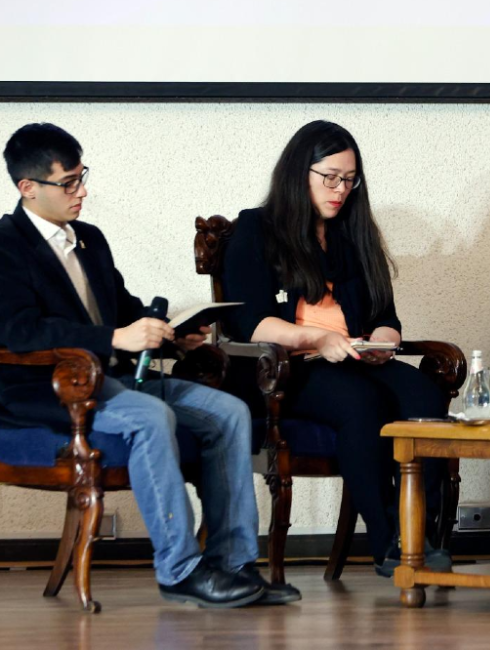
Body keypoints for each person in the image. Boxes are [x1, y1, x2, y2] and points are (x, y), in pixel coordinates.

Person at [0, 123, 298, 607]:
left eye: (82, 176)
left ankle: (232, 564)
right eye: (69, 182)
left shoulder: (90, 240)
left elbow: (122, 309)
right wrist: (114, 336)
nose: (82, 191)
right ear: (27, 187)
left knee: (229, 411)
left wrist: (174, 334)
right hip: (49, 390)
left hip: (112, 378)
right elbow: (19, 331)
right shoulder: (6, 244)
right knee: (151, 415)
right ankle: (180, 570)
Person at [221, 120, 450, 576]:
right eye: (330, 177)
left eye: (349, 179)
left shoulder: (354, 232)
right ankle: (388, 543)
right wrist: (319, 339)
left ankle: (419, 532)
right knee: (360, 402)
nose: (340, 189)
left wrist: (384, 341)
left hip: (354, 358)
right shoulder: (256, 228)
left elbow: (385, 317)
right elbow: (250, 322)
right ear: (297, 173)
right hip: (289, 366)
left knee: (426, 398)